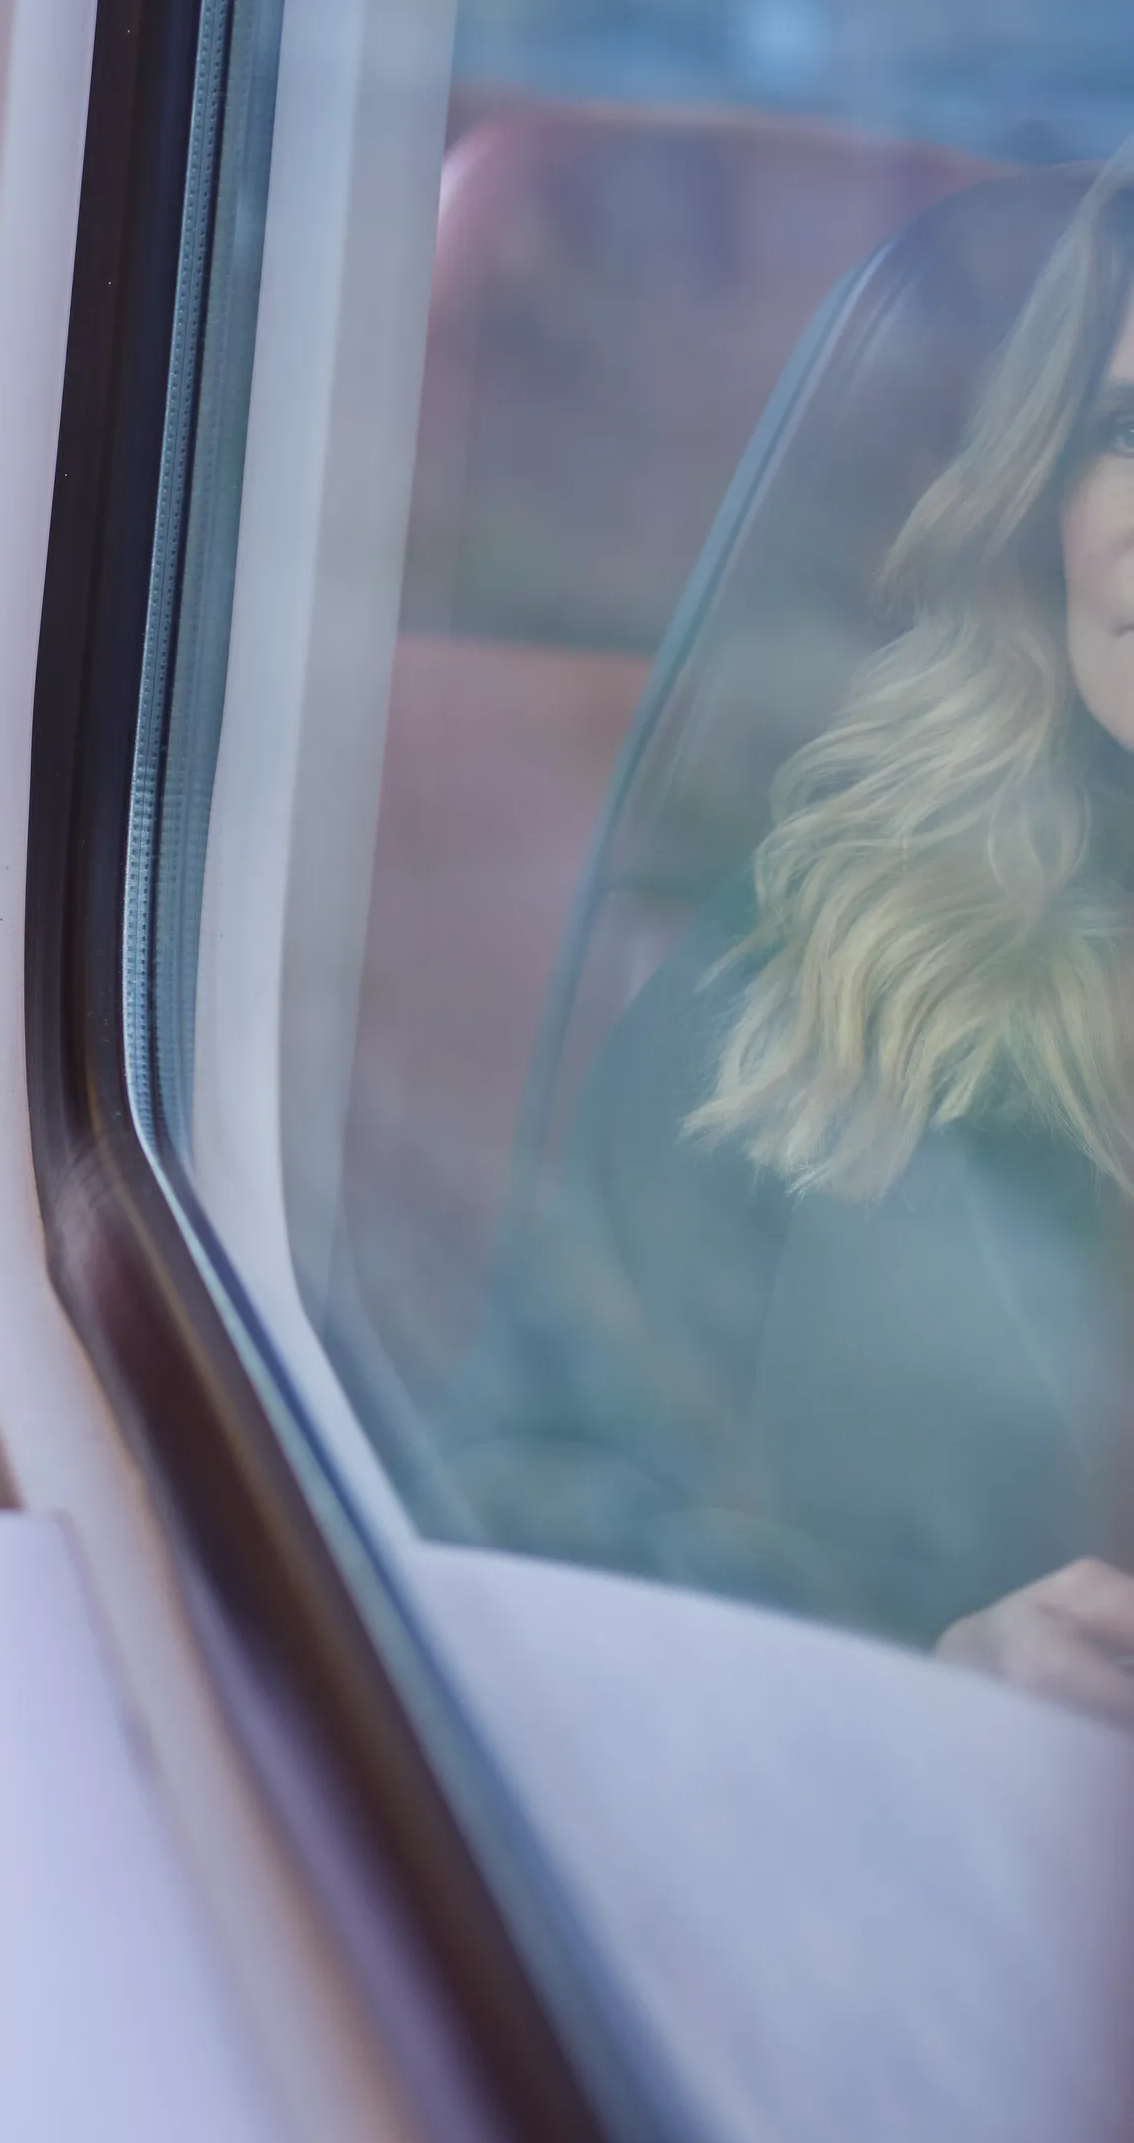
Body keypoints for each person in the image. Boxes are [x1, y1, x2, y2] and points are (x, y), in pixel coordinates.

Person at [450, 145, 1134, 1725]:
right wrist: (925, 1694)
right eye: (1127, 429)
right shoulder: (828, 949)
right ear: (1046, 501)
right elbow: (520, 1501)